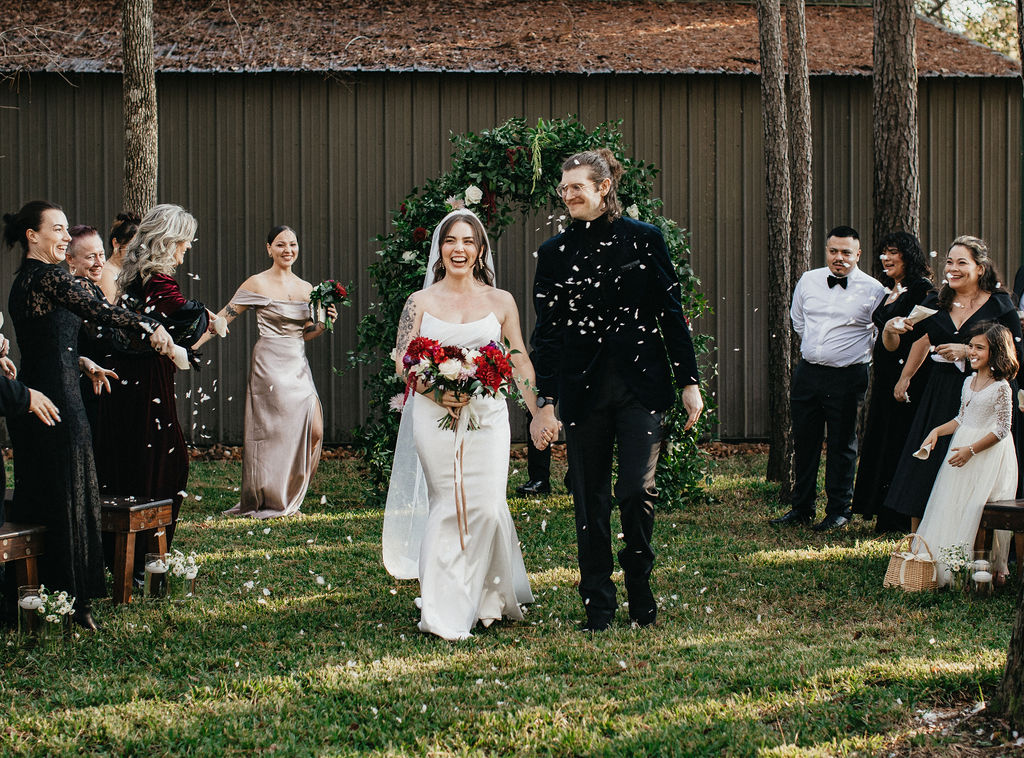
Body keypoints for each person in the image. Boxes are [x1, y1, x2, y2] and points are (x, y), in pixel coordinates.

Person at [529, 149, 703, 631]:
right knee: (589, 499)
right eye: (563, 189)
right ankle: (598, 605)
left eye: (577, 187)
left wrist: (688, 381)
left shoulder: (644, 240)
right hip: (582, 393)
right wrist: (547, 401)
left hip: (640, 388)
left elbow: (671, 312)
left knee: (634, 490)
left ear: (604, 188)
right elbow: (548, 334)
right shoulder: (553, 254)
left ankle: (640, 586)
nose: (569, 196)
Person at [2, 200, 174, 630]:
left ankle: (43, 596)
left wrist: (82, 361)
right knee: (67, 497)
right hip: (55, 402)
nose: (64, 237)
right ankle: (72, 603)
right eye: (57, 230)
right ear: (32, 236)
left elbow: (46, 340)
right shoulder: (50, 276)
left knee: (50, 493)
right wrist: (149, 325)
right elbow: (100, 310)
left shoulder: (27, 280)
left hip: (46, 394)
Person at [382, 208, 537, 641]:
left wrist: (537, 408)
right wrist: (434, 391)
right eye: (452, 240)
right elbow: (401, 359)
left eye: (468, 241)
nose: (459, 249)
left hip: (487, 417)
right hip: (434, 417)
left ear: (480, 249)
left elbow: (518, 355)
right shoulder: (420, 302)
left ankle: (485, 597)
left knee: (486, 507)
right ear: (440, 249)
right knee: (449, 506)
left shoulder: (500, 301)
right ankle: (444, 609)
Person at [96, 204, 213, 566]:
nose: (188, 248)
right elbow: (184, 319)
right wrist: (211, 317)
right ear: (170, 240)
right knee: (164, 460)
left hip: (130, 379)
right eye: (185, 241)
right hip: (146, 382)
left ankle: (123, 554)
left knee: (133, 459)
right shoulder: (158, 280)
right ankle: (149, 554)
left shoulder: (133, 275)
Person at [883, 236, 1023, 529]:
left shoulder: (999, 303)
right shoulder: (936, 301)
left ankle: (972, 536)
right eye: (949, 261)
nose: (953, 268)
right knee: (927, 464)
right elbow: (915, 339)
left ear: (980, 268)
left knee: (972, 467)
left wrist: (968, 351)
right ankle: (920, 542)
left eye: (962, 262)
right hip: (941, 391)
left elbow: (1015, 354)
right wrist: (902, 367)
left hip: (984, 395)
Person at [196, 225, 335, 519]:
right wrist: (192, 347)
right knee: (271, 433)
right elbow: (224, 317)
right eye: (281, 245)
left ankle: (290, 495)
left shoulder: (308, 289)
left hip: (297, 362)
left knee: (314, 429)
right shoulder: (257, 283)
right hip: (269, 363)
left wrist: (324, 323)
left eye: (293, 245)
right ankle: (269, 497)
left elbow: (307, 332)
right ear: (268, 248)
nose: (288, 250)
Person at [771, 225, 886, 532]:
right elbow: (798, 321)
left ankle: (838, 510)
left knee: (842, 444)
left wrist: (851, 355)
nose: (839, 258)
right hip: (808, 373)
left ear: (858, 254)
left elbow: (878, 334)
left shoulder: (875, 290)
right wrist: (818, 351)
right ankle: (801, 507)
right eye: (834, 251)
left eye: (846, 252)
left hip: (848, 377)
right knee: (804, 441)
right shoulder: (809, 280)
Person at [904, 322, 1017, 586]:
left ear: (997, 351)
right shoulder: (969, 381)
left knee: (975, 508)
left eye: (980, 347)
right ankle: (947, 563)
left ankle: (981, 568)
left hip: (987, 454)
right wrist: (936, 431)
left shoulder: (1001, 387)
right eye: (970, 346)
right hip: (963, 446)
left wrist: (971, 450)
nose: (972, 352)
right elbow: (961, 418)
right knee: (951, 502)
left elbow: (1002, 429)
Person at [850, 232, 934, 533]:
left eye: (893, 252)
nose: (886, 258)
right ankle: (879, 508)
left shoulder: (923, 291)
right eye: (883, 252)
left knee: (899, 440)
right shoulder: (892, 290)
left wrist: (905, 378)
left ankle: (897, 517)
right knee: (882, 439)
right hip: (884, 377)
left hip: (907, 378)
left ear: (908, 256)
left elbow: (922, 337)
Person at [66, 224, 118, 432]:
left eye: (101, 254)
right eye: (90, 257)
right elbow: (102, 337)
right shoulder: (81, 287)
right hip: (89, 381)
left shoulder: (89, 287)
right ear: (70, 259)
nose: (99, 263)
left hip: (94, 377)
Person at [98, 212, 140, 304]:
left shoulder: (127, 270)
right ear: (116, 243)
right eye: (132, 246)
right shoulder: (107, 274)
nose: (137, 252)